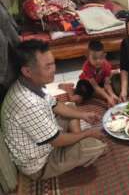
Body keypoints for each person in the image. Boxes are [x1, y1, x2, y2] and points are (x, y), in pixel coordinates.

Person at [1, 40, 108, 180]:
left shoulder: (29, 83)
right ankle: (78, 138)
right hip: (41, 163)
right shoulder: (27, 103)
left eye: (53, 63)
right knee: (97, 146)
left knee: (70, 107)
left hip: (47, 139)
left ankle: (76, 136)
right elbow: (57, 140)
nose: (54, 69)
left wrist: (84, 115)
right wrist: (87, 134)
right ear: (27, 71)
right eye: (48, 66)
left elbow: (55, 105)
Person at [59, 39, 118, 107]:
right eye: (94, 58)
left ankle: (94, 94)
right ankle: (68, 88)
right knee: (76, 100)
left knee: (108, 91)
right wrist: (108, 97)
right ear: (87, 56)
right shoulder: (86, 67)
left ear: (104, 56)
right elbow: (95, 86)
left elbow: (107, 84)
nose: (98, 61)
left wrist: (112, 95)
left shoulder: (107, 65)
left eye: (101, 58)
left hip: (99, 81)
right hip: (86, 83)